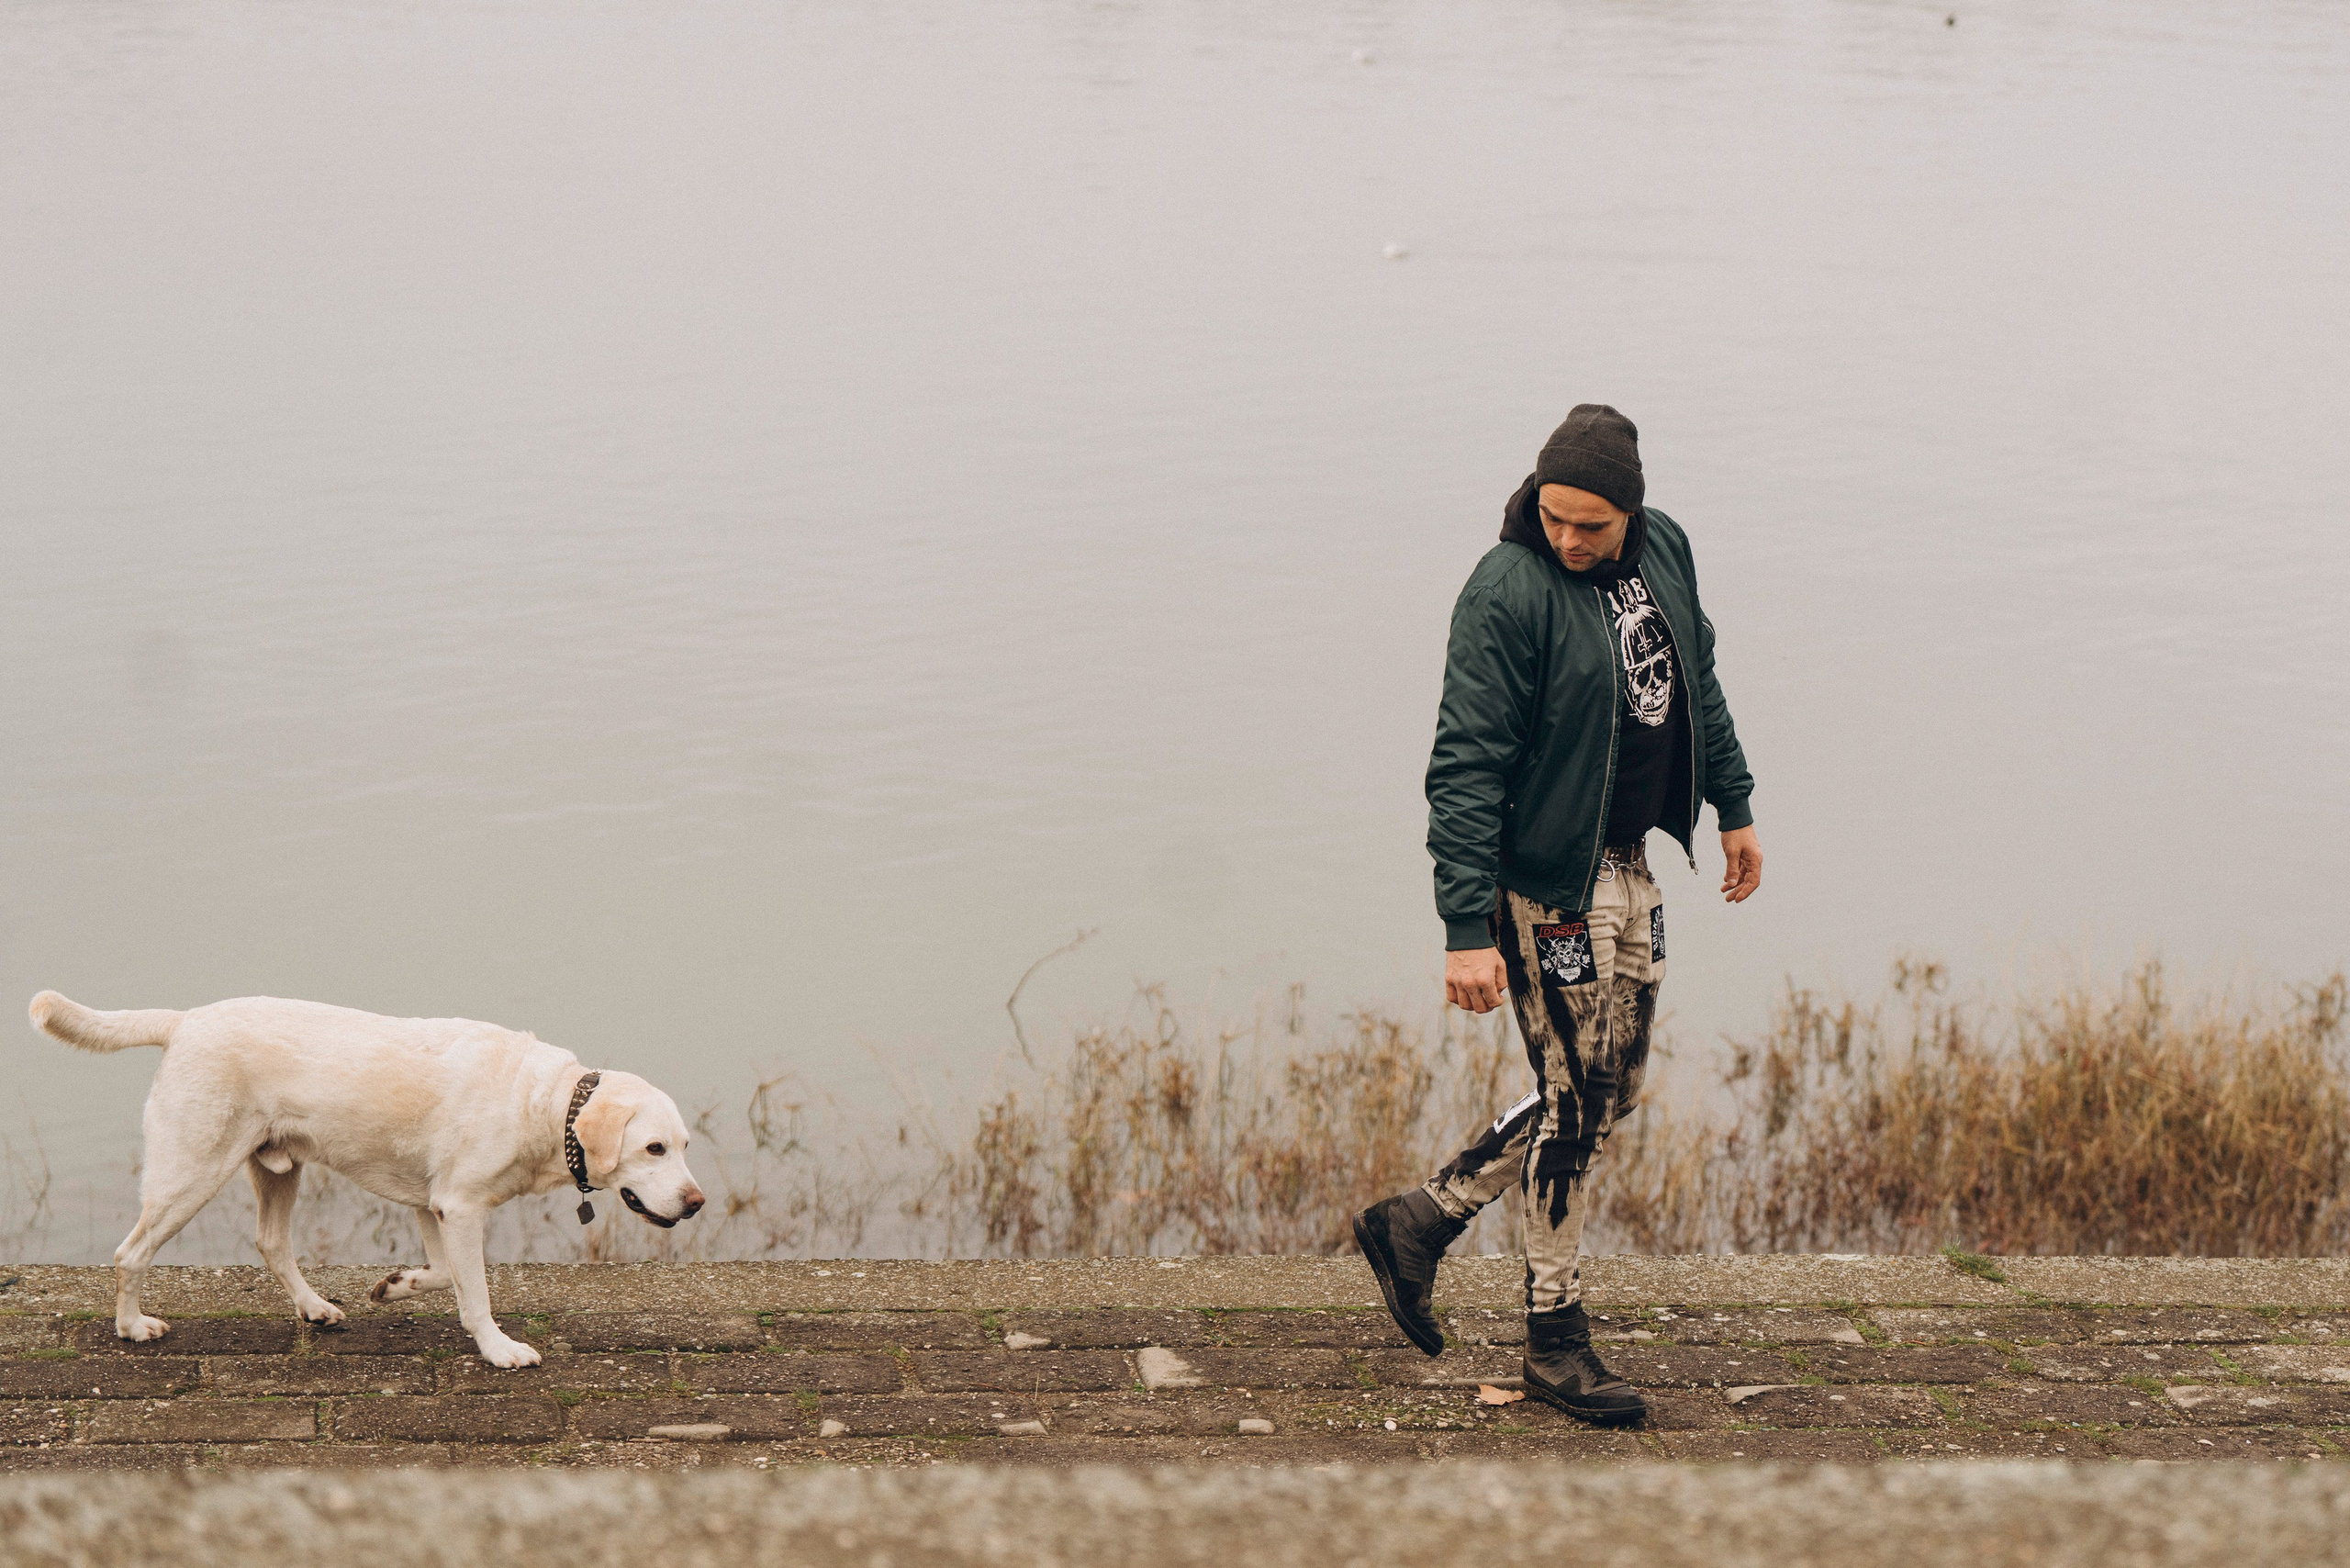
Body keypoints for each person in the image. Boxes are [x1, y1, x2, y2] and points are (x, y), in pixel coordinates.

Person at [1353, 405, 1761, 1426]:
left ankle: (1423, 1216)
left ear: (1630, 511)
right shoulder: (1505, 589)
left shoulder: (1664, 548)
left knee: (1608, 1091)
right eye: (1552, 518)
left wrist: (1734, 804)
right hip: (1546, 884)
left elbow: (1695, 682)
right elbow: (1464, 765)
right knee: (1573, 1102)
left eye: (1591, 525)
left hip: (1631, 866)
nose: (1568, 541)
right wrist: (1464, 928)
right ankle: (1554, 1339)